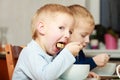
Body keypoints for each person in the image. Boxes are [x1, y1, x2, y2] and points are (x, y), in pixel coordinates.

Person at [12, 4, 84, 80]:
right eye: (61, 28)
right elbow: (45, 77)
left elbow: (55, 73)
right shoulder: (30, 52)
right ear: (42, 28)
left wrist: (79, 74)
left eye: (70, 32)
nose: (68, 35)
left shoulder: (50, 55)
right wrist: (67, 53)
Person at [68, 4, 110, 78]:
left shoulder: (79, 52)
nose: (87, 40)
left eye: (89, 36)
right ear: (69, 32)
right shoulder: (61, 50)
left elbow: (79, 68)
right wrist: (93, 62)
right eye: (83, 35)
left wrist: (87, 73)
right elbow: (67, 70)